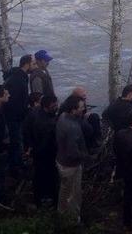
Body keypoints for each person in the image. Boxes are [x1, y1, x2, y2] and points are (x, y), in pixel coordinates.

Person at [56, 94, 89, 222]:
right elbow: (72, 152)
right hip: (71, 165)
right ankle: (73, 220)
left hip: (61, 160)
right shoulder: (72, 128)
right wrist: (86, 157)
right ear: (73, 109)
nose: (83, 109)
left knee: (64, 190)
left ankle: (62, 213)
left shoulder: (63, 116)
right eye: (81, 107)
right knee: (74, 194)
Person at [3, 54, 34, 174]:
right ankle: (16, 169)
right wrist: (24, 115)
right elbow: (15, 102)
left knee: (16, 142)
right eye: (34, 64)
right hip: (14, 118)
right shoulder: (18, 80)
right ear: (27, 64)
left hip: (14, 117)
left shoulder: (18, 76)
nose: (35, 67)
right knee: (16, 142)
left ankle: (17, 166)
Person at [32, 94, 59, 207]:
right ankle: (48, 201)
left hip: (38, 153)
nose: (56, 107)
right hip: (46, 155)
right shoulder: (48, 124)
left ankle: (40, 200)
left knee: (39, 177)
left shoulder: (37, 114)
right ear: (47, 106)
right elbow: (49, 142)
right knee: (48, 178)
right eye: (54, 106)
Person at [71, 86, 102, 151]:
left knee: (95, 116)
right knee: (87, 128)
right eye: (83, 95)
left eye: (85, 94)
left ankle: (97, 138)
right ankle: (88, 146)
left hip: (81, 117)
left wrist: (85, 114)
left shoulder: (82, 100)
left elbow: (83, 110)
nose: (85, 97)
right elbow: (72, 115)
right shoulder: (72, 102)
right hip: (73, 121)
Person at [22, 91, 44, 160]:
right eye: (42, 101)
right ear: (36, 103)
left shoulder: (30, 113)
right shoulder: (33, 116)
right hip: (34, 147)